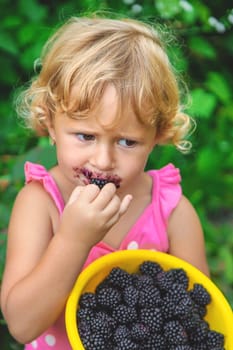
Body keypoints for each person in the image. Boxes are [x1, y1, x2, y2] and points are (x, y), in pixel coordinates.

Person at [0, 14, 209, 349]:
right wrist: (72, 240)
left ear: (158, 135)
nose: (103, 160)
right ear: (51, 124)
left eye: (127, 142)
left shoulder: (172, 213)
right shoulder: (41, 203)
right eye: (85, 136)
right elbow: (22, 325)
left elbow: (197, 319)